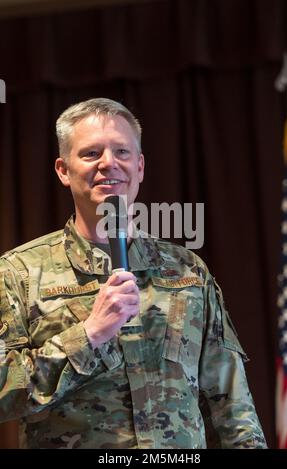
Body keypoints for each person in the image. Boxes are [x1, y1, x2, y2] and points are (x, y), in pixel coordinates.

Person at [0, 98, 266, 449]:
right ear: (63, 170)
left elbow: (231, 403)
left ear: (139, 167)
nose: (109, 164)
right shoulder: (18, 271)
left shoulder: (187, 270)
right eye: (91, 153)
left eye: (122, 152)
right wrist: (89, 335)